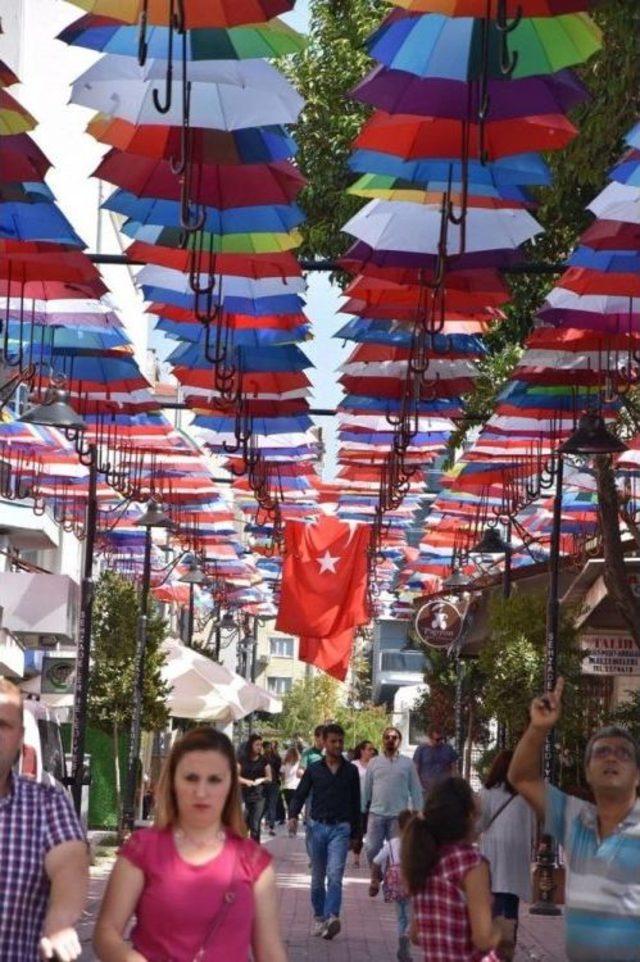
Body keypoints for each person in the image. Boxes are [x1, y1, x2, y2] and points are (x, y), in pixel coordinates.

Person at [94, 726, 286, 962]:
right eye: (191, 778)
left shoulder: (254, 861)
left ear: (230, 785)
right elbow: (106, 933)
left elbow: (270, 952)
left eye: (214, 780)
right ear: (173, 781)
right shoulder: (142, 849)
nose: (201, 792)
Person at [508, 677, 640, 962]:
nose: (611, 759)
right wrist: (538, 728)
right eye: (601, 752)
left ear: (638, 775)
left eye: (623, 754)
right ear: (588, 773)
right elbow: (521, 777)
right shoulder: (575, 818)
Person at [0, 677, 88, 962]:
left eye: (3, 725)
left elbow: (70, 862)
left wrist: (60, 922)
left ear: (19, 737)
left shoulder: (46, 803)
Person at [401, 776, 512, 962]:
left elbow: (415, 935)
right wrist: (501, 931)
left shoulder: (422, 860)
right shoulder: (471, 863)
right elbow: (483, 939)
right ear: (470, 816)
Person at [288, 723, 362, 941]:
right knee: (317, 879)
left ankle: (332, 917)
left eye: (341, 741)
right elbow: (300, 794)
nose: (338, 745)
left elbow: (355, 802)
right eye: (333, 741)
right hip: (317, 828)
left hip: (341, 828)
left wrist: (356, 834)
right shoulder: (314, 769)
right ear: (325, 743)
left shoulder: (351, 771)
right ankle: (320, 917)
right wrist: (292, 816)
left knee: (335, 874)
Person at [478, 750, 537, 951]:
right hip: (517, 850)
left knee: (494, 895)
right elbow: (533, 824)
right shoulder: (526, 794)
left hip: (493, 848)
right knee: (511, 898)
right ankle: (508, 944)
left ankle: (493, 945)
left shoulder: (487, 792)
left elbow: (480, 823)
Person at [366, 727, 423, 895]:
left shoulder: (408, 763)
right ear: (383, 740)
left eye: (394, 737)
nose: (390, 740)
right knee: (371, 848)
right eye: (387, 737)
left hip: (398, 816)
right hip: (376, 813)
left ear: (399, 741)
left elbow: (415, 789)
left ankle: (385, 882)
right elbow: (366, 789)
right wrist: (362, 809)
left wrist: (419, 812)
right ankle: (376, 876)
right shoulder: (374, 762)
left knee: (395, 854)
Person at [372, 808, 414, 962]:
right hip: (410, 885)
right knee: (412, 917)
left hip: (395, 886)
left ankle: (401, 943)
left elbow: (376, 861)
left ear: (398, 826)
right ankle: (405, 941)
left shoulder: (391, 843)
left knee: (401, 917)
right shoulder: (415, 845)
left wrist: (374, 880)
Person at [238, 733, 272, 843]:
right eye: (257, 744)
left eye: (260, 745)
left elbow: (269, 778)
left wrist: (261, 780)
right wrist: (246, 781)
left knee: (255, 824)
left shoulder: (264, 760)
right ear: (250, 745)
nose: (259, 747)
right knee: (243, 825)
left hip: (259, 796)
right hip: (244, 796)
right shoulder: (241, 760)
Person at [412, 723, 458, 797]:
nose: (440, 741)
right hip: (426, 790)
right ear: (430, 738)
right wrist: (417, 786)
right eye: (437, 739)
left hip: (444, 790)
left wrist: (453, 785)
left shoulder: (448, 749)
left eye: (441, 739)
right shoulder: (421, 749)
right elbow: (415, 769)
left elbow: (454, 769)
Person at [352, 740, 375, 868]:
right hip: (358, 803)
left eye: (372, 750)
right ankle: (356, 857)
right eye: (369, 749)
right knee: (359, 832)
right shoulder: (354, 765)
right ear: (362, 751)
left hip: (373, 803)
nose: (371, 752)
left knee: (371, 832)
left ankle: (372, 858)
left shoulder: (375, 765)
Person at [263, 741, 282, 836]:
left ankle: (269, 823)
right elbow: (280, 769)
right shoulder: (276, 758)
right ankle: (270, 825)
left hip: (268, 783)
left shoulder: (262, 758)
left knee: (268, 804)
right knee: (271, 804)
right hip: (272, 783)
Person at [281, 746, 301, 832]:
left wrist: (283, 780)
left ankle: (291, 827)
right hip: (297, 787)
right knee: (295, 808)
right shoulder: (299, 763)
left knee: (290, 807)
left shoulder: (285, 763)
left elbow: (281, 775)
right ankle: (294, 825)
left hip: (287, 787)